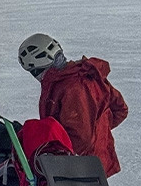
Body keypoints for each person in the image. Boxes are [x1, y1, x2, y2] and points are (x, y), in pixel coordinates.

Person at [17, 33, 129, 177]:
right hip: (95, 159)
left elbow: (81, 140)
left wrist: (51, 151)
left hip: (80, 169)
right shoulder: (82, 73)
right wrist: (99, 130)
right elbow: (119, 109)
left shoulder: (71, 88)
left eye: (34, 73)